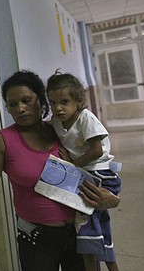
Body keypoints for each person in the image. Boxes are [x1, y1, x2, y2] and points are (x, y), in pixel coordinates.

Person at [0, 70, 120, 271]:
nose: (20, 108)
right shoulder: (3, 141)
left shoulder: (61, 131)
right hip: (37, 239)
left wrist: (113, 200)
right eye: (13, 104)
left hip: (78, 233)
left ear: (42, 101)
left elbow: (97, 171)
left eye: (27, 100)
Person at [47, 71, 121, 271]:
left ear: (78, 101)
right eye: (52, 103)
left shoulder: (85, 118)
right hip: (83, 173)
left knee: (85, 226)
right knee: (98, 226)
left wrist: (73, 163)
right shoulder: (56, 121)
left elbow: (96, 151)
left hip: (101, 175)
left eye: (64, 101)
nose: (58, 108)